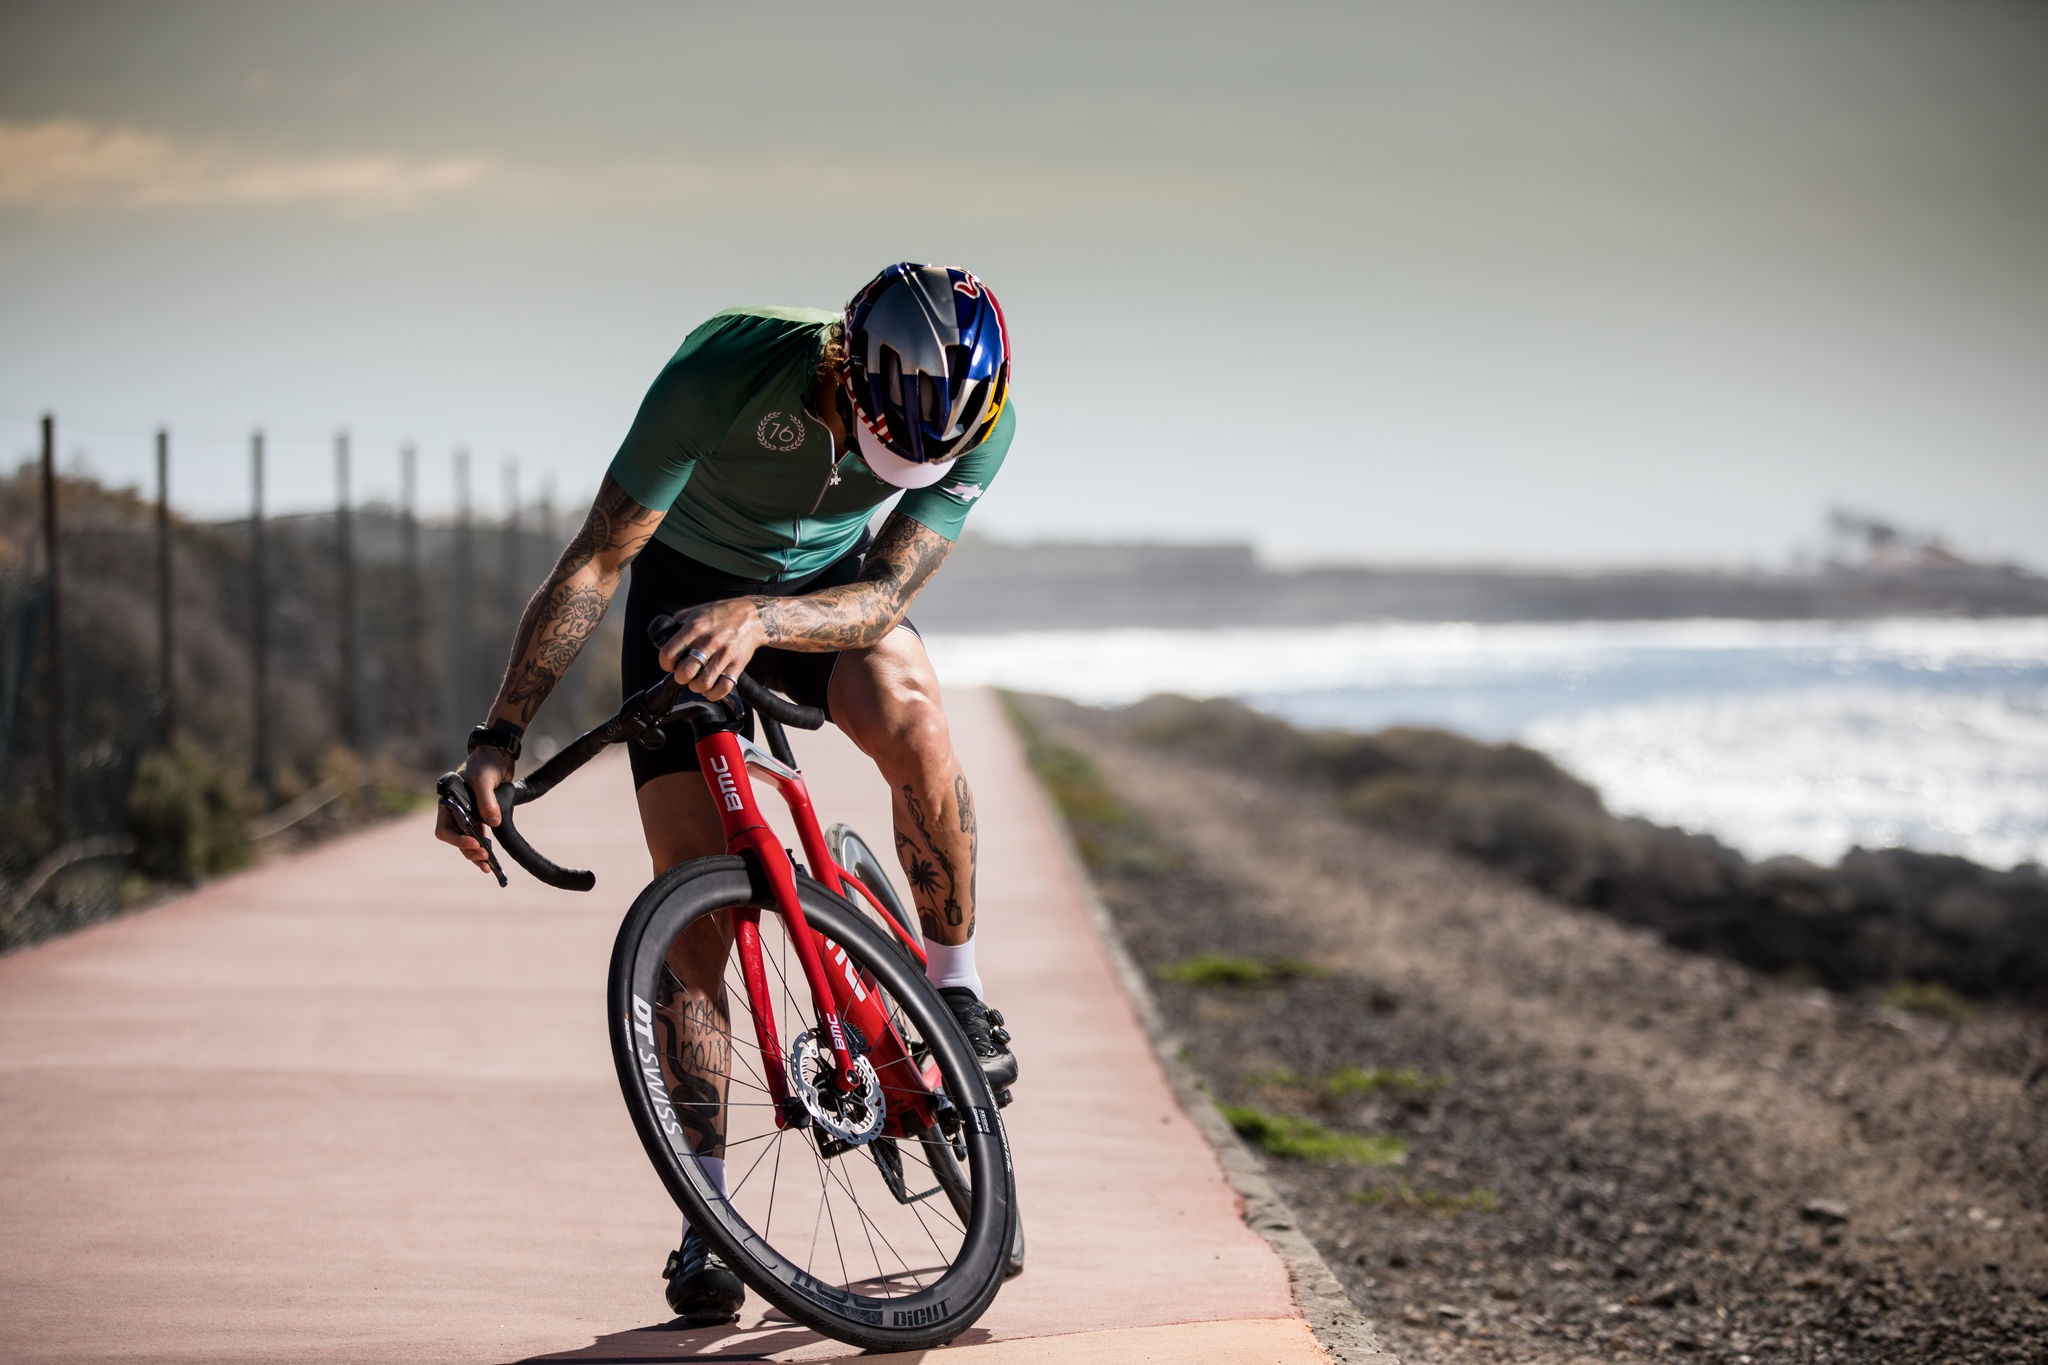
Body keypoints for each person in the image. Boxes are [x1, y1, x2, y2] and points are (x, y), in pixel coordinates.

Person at [434, 263, 1019, 1325]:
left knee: (917, 723)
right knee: (694, 907)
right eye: (871, 431)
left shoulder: (981, 418)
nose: (874, 460)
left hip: (826, 595)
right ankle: (707, 1212)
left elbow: (887, 589)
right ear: (842, 362)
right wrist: (498, 737)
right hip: (680, 596)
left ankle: (958, 991)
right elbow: (597, 561)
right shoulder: (727, 365)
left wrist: (765, 616)